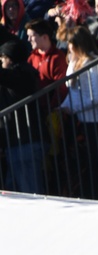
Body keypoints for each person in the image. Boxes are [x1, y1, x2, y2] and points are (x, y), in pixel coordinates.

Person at [59, 25, 98, 198]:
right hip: (80, 119)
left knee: (94, 164)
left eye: (71, 44)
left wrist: (74, 108)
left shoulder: (92, 62)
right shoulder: (76, 61)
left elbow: (97, 96)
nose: (68, 47)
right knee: (83, 164)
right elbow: (70, 87)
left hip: (94, 121)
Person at [0, 37, 46, 195]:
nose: (1, 62)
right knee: (13, 194)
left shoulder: (22, 75)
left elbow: (4, 76)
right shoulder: (19, 74)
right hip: (15, 143)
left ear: (10, 59)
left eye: (3, 58)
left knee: (30, 193)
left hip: (26, 143)